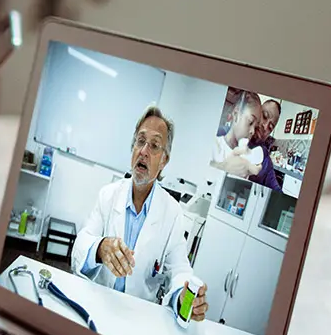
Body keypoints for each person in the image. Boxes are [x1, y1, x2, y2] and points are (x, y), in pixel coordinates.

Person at [69, 107, 209, 319]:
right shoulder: (108, 195)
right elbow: (81, 242)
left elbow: (180, 268)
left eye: (154, 145)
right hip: (97, 303)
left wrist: (184, 295)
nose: (143, 151)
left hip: (137, 316)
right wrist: (100, 248)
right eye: (140, 141)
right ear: (133, 146)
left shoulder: (172, 213)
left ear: (164, 161)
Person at [211, 90, 266, 180]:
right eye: (250, 122)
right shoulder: (214, 145)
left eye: (255, 127)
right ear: (236, 114)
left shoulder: (247, 158)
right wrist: (224, 167)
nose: (252, 131)